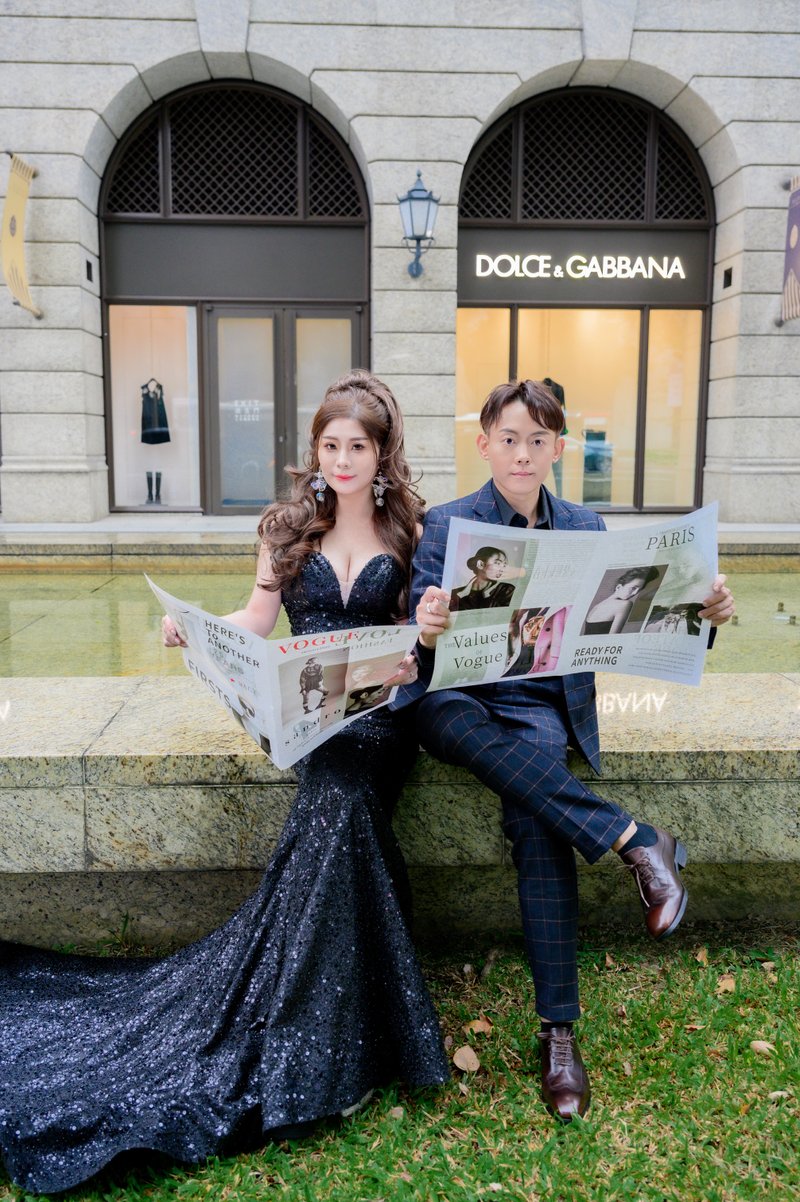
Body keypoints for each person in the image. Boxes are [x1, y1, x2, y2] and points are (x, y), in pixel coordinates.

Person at [0, 371, 449, 1196]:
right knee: (335, 792)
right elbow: (257, 620)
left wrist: (417, 639)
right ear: (316, 449)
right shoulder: (285, 529)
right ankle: (337, 1033)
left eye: (358, 446)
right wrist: (197, 630)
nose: (342, 460)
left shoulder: (413, 530)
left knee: (345, 795)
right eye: (330, 445)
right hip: (309, 721)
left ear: (383, 454)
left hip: (382, 722)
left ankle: (317, 1032)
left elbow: (420, 642)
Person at [398, 378, 735, 1124]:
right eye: (508, 439)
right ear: (484, 444)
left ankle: (559, 1034)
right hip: (460, 699)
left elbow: (637, 621)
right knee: (443, 715)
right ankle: (634, 839)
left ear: (557, 448)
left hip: (539, 707)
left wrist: (706, 615)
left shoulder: (585, 526)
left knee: (537, 812)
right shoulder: (446, 524)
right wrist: (427, 627)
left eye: (537, 440)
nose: (522, 453)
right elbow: (415, 656)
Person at [582, 566, 661, 635]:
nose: (635, 593)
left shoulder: (597, 606)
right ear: (619, 587)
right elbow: (612, 638)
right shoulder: (625, 604)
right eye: (633, 588)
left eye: (639, 590)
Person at [451, 545, 515, 610]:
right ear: (481, 564)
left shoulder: (506, 590)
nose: (502, 569)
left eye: (504, 565)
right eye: (497, 563)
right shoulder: (455, 594)